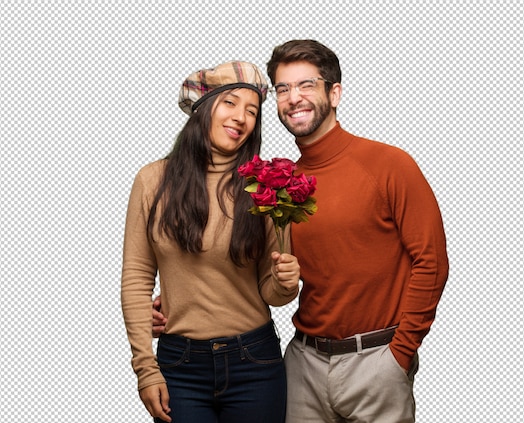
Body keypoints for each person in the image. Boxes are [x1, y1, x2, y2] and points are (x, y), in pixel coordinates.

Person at [154, 40, 449, 422]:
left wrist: (400, 352)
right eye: (282, 89)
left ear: (335, 92)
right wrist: (178, 298)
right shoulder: (279, 184)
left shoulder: (389, 164)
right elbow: (250, 267)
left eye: (306, 85)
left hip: (377, 361)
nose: (294, 98)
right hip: (302, 364)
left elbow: (432, 262)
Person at [121, 61, 300, 423]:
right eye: (230, 103)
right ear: (203, 107)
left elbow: (271, 292)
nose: (241, 118)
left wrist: (286, 282)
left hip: (255, 362)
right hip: (179, 366)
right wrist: (146, 368)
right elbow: (137, 278)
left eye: (252, 110)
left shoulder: (264, 185)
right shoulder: (152, 180)